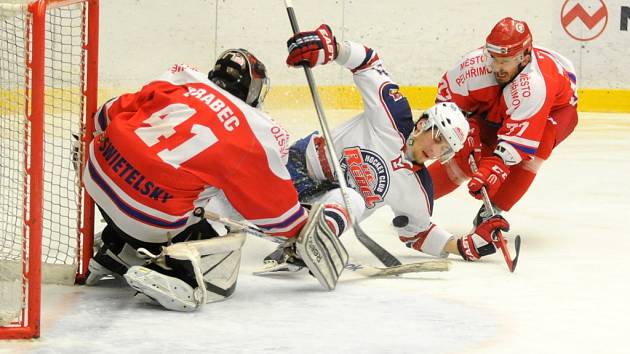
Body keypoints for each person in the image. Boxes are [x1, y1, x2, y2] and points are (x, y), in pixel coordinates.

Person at [82, 49, 350, 311]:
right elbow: (274, 213)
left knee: (162, 184)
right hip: (149, 216)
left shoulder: (181, 80)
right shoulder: (255, 130)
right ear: (253, 90)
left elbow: (104, 115)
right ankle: (179, 274)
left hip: (94, 174)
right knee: (222, 233)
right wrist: (301, 233)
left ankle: (117, 247)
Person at [261, 24, 510, 273]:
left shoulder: (418, 190)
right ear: (423, 124)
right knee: (236, 200)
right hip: (301, 167)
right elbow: (368, 63)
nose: (435, 151)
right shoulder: (392, 115)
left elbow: (418, 233)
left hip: (323, 207)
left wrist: (464, 245)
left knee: (352, 200)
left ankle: (309, 246)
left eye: (445, 150)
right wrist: (332, 48)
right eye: (437, 138)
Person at [428, 17, 579, 228]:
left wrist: (495, 167)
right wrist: (466, 128)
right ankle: (416, 197)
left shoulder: (536, 84)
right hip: (498, 101)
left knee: (536, 148)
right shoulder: (473, 66)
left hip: (555, 110)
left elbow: (515, 146)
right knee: (468, 152)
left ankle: (491, 212)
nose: (497, 67)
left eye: (505, 61)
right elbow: (445, 106)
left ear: (524, 58)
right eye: (494, 59)